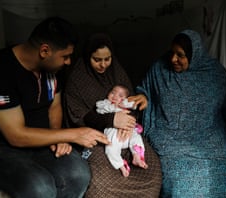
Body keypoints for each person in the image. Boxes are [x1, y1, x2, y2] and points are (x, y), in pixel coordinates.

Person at [0, 17, 110, 198]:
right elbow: (16, 136)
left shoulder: (52, 70)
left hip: (40, 142)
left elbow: (54, 107)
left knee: (78, 173)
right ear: (45, 51)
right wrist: (74, 134)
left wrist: (58, 136)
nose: (68, 62)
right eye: (65, 56)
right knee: (39, 186)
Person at [136, 29, 226, 197]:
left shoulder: (215, 73)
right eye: (172, 53)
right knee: (179, 172)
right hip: (169, 135)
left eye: (180, 55)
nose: (173, 59)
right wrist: (143, 96)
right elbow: (145, 88)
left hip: (208, 134)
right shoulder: (160, 69)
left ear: (195, 54)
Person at [63, 33, 162, 197]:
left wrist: (129, 122)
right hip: (94, 137)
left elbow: (131, 103)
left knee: (151, 170)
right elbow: (78, 115)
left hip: (126, 132)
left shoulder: (117, 72)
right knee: (100, 182)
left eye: (107, 59)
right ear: (88, 56)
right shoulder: (76, 79)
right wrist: (112, 120)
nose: (103, 65)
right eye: (97, 60)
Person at [95, 84, 148, 177]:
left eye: (120, 96)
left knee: (136, 137)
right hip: (114, 133)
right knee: (110, 148)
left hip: (128, 133)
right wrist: (113, 107)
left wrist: (126, 103)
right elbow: (98, 107)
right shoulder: (106, 103)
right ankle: (121, 165)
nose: (115, 96)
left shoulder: (124, 104)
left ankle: (137, 156)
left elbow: (134, 104)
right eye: (113, 93)